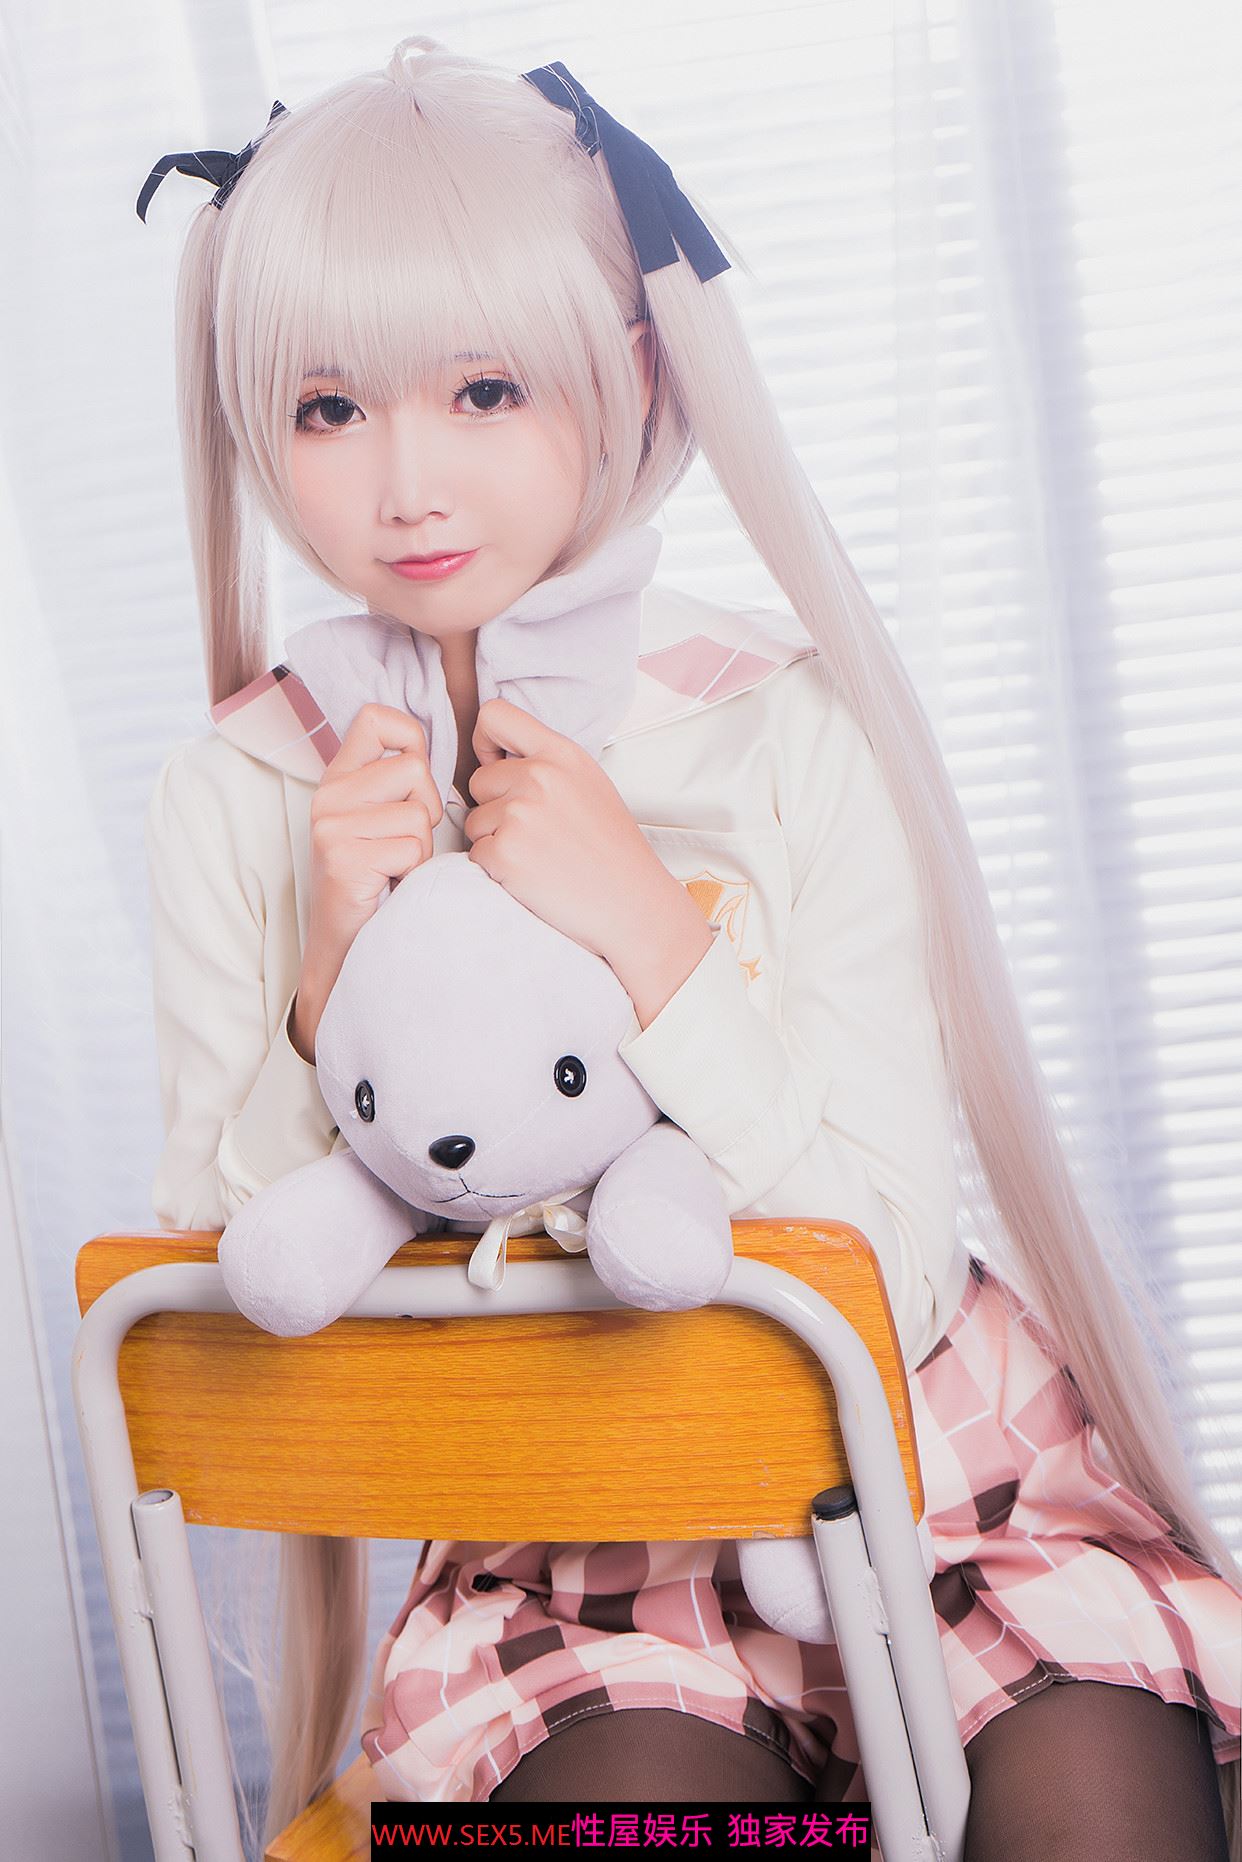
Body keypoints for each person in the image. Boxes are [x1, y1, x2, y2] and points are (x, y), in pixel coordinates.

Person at [138, 33, 1241, 1858]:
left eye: (483, 388)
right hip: (556, 1545)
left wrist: (654, 942)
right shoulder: (239, 788)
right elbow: (215, 1292)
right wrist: (331, 974)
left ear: (626, 375)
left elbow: (887, 1266)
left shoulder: (780, 721)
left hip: (935, 1492)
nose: (406, 483)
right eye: (329, 408)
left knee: (1092, 1813)